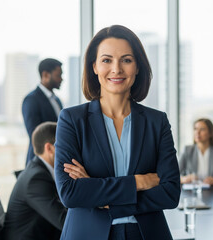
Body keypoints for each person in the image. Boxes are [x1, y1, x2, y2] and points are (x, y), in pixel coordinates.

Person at [54, 25, 180, 240]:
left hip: (146, 234)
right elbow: (71, 193)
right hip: (88, 234)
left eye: (126, 60)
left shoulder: (157, 121)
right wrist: (138, 183)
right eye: (106, 60)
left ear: (138, 67)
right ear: (94, 66)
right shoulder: (72, 120)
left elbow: (170, 193)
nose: (116, 69)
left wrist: (102, 198)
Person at [1, 122, 67, 240]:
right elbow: (63, 221)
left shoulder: (39, 171)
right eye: (64, 146)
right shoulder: (36, 179)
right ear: (49, 148)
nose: (69, 150)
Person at [22, 58, 64, 165]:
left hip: (56, 158)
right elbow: (35, 134)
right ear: (45, 75)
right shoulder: (31, 99)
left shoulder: (56, 100)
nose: (61, 79)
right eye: (58, 75)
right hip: (40, 160)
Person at [179, 118, 213, 186]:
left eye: (202, 129)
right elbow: (173, 175)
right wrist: (184, 179)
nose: (197, 132)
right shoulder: (187, 150)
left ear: (210, 133)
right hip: (191, 191)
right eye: (195, 129)